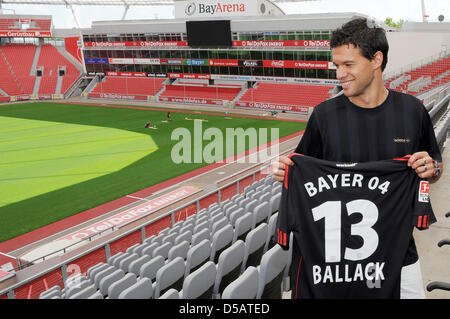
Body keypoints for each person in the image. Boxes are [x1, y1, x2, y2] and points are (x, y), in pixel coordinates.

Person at [271, 17, 443, 299]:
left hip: (400, 257)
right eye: (336, 65)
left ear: (376, 60)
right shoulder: (324, 116)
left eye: (348, 65)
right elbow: (299, 168)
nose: (340, 74)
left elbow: (435, 166)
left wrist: (431, 168)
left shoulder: (412, 111)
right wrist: (285, 170)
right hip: (336, 265)